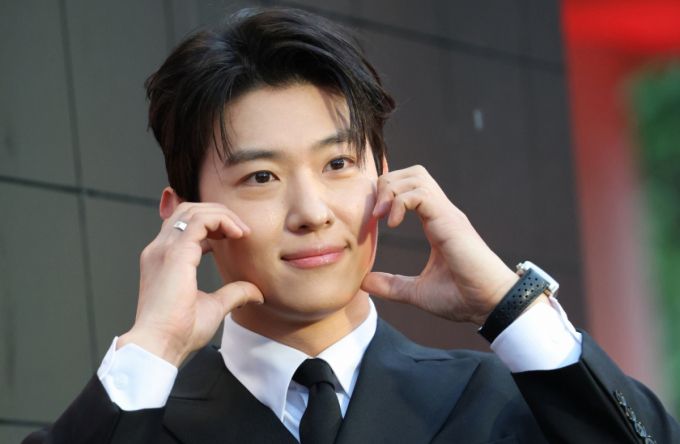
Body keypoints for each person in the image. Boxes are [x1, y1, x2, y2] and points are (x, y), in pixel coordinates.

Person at [23, 7, 679, 444]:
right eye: (262, 177)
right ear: (184, 216)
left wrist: (510, 306)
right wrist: (152, 348)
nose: (312, 211)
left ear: (384, 175)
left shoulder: (502, 403)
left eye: (338, 164)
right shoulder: (140, 418)